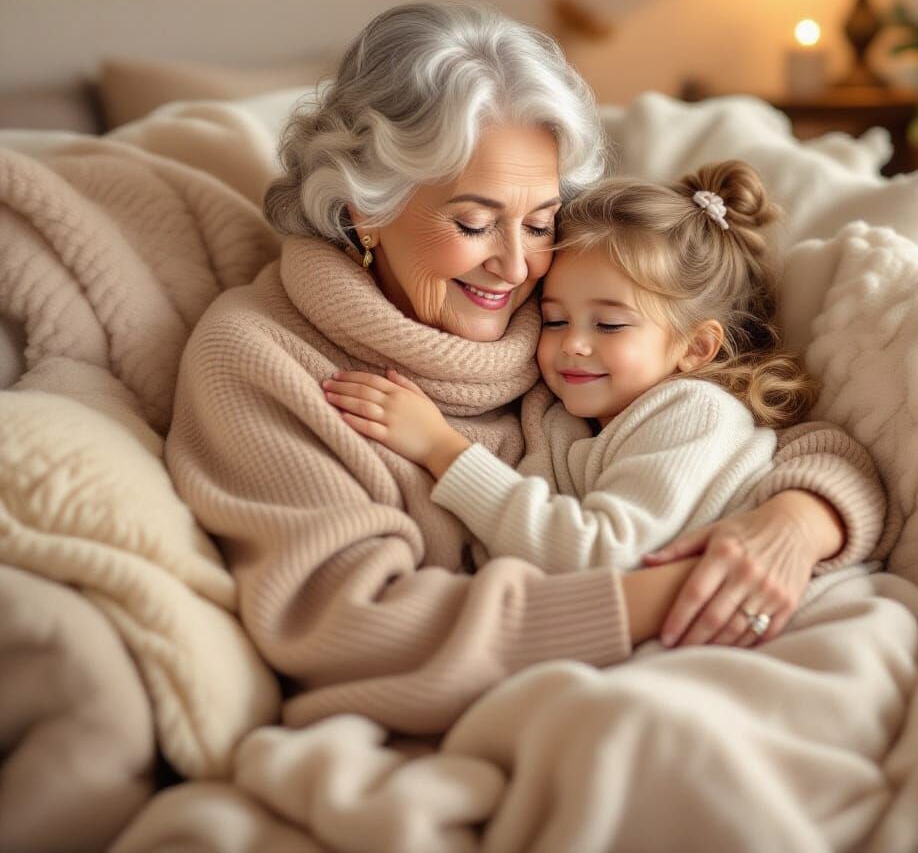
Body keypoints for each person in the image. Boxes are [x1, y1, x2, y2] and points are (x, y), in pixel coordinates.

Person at [166, 0, 887, 735]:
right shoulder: (258, 358)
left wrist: (796, 526)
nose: (514, 267)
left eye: (539, 223)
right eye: (474, 224)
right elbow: (351, 631)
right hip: (615, 670)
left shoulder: (567, 310)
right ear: (363, 212)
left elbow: (773, 437)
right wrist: (694, 591)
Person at [321, 160, 847, 645]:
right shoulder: (565, 419)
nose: (572, 343)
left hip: (785, 620)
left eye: (610, 324)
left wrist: (442, 449)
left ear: (696, 347)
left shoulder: (694, 411)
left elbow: (598, 555)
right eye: (554, 319)